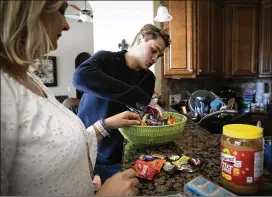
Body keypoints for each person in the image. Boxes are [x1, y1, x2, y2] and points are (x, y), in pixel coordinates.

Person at [0, 1, 140, 196]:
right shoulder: (4, 93)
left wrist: (107, 124)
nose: (67, 25)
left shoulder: (31, 79)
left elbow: (61, 145)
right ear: (27, 12)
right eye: (61, 11)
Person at [72, 24, 171, 182]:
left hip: (123, 155)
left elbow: (139, 114)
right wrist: (139, 96)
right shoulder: (105, 59)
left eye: (158, 55)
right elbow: (80, 77)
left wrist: (150, 113)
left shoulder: (148, 78)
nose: (154, 59)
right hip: (90, 151)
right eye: (153, 50)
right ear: (139, 40)